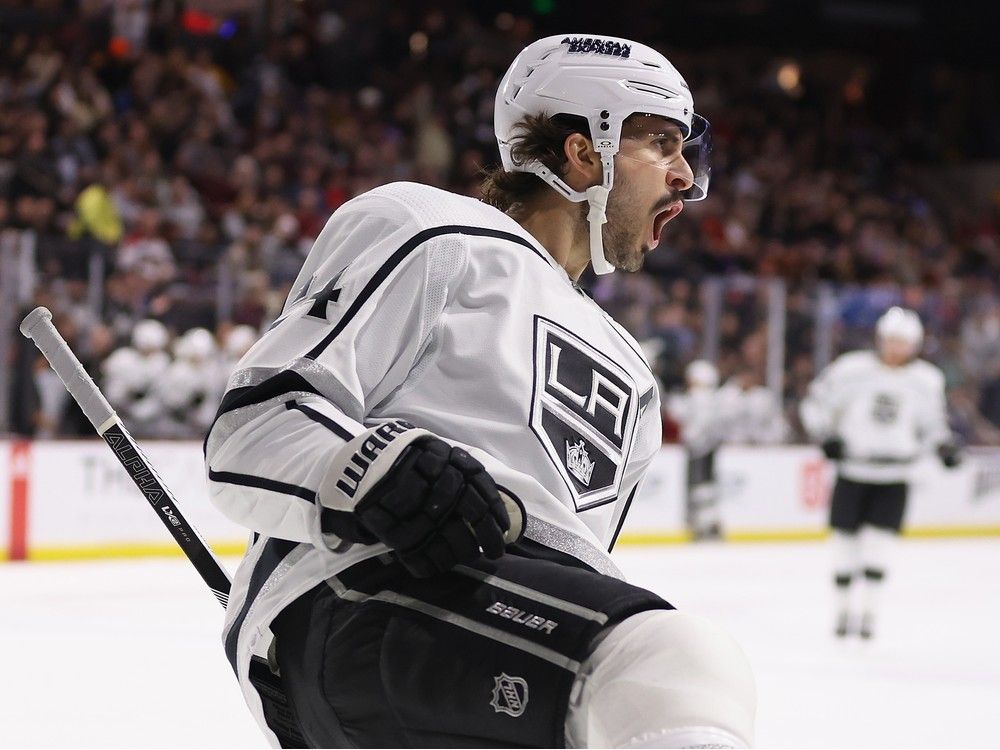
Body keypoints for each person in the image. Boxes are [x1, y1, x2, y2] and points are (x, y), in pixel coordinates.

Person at [205, 34, 755, 748]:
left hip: (491, 657)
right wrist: (381, 473)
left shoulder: (633, 377)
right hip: (369, 598)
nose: (684, 176)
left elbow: (575, 571)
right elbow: (255, 428)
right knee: (669, 666)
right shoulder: (433, 230)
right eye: (661, 143)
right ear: (583, 151)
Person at [800, 307, 961, 639]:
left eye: (902, 342)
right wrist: (825, 436)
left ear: (914, 344)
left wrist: (944, 446)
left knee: (878, 546)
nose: (895, 348)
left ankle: (869, 614)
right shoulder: (851, 370)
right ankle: (843, 612)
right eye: (890, 340)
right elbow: (815, 404)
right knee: (844, 544)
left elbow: (932, 424)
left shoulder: (926, 380)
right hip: (853, 470)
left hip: (895, 474)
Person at [666, 360, 729, 540]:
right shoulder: (715, 398)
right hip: (710, 447)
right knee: (706, 486)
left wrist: (688, 438)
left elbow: (691, 424)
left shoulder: (699, 397)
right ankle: (706, 522)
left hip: (697, 449)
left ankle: (703, 524)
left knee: (699, 487)